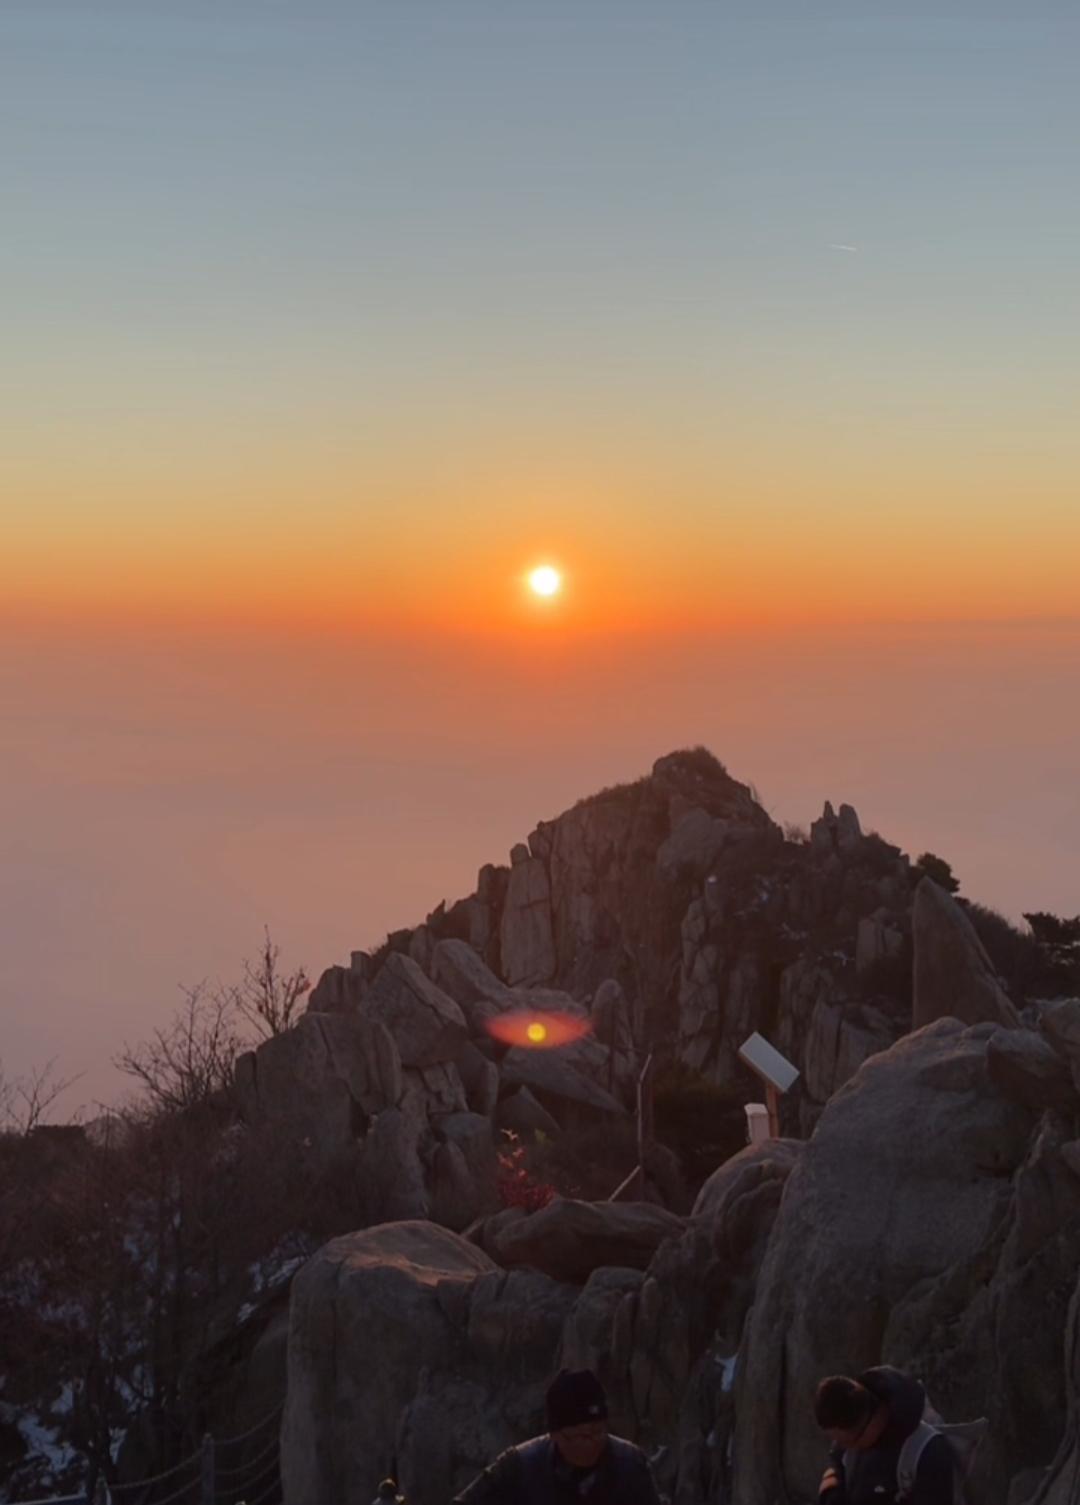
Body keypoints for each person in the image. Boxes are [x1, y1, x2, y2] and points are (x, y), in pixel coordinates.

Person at [453, 1368, 660, 1505]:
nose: (593, 1443)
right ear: (555, 1435)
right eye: (582, 1436)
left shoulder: (631, 1464)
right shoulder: (519, 1466)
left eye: (598, 1432)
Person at [814, 1367, 954, 1504]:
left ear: (871, 1425)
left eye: (845, 1442)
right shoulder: (852, 1431)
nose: (842, 1447)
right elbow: (836, 1463)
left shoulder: (928, 1454)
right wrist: (831, 1493)